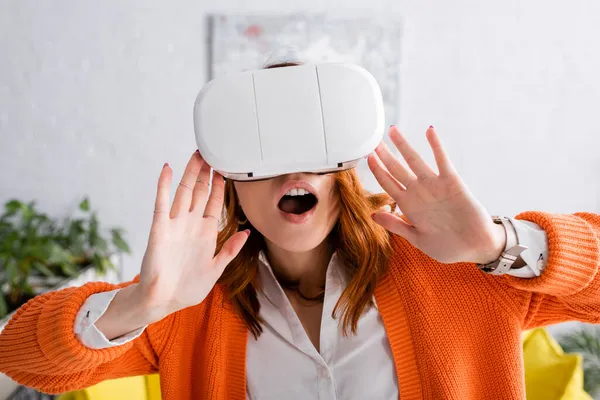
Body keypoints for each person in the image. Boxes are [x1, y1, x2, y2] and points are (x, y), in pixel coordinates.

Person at [0, 64, 599, 400]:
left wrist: (500, 247)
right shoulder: (189, 303)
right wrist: (141, 302)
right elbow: (21, 357)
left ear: (346, 166)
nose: (292, 171)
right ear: (230, 177)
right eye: (264, 151)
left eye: (316, 149)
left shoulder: (457, 268)